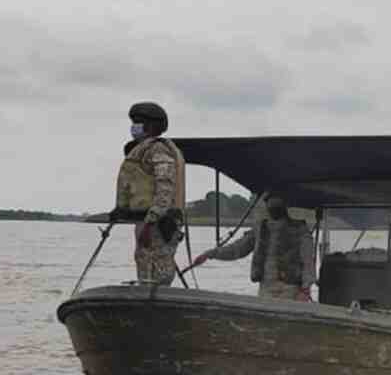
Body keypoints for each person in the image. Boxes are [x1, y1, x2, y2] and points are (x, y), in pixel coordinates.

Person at [112, 101, 186, 285]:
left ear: (152, 125)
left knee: (157, 273)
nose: (134, 126)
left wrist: (151, 220)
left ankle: (157, 306)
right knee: (145, 268)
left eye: (139, 121)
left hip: (157, 224)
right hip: (146, 221)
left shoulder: (158, 149)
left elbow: (165, 186)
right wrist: (121, 210)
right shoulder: (142, 150)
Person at [191, 193, 316, 301]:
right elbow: (237, 249)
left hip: (290, 289)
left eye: (276, 202)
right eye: (270, 202)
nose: (273, 206)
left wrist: (305, 290)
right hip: (265, 288)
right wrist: (210, 254)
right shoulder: (260, 229)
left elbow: (308, 260)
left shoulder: (300, 229)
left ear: (284, 205)